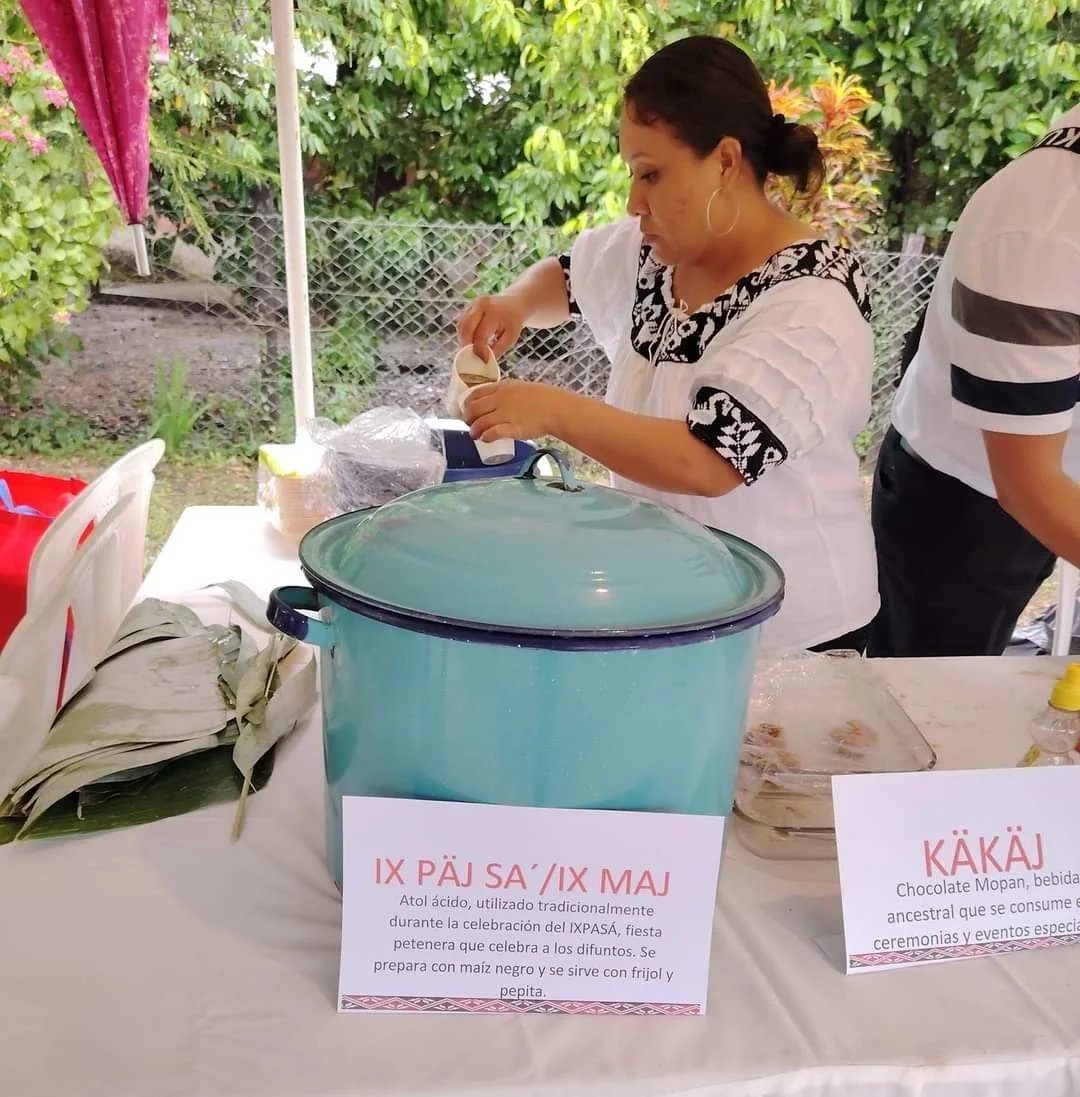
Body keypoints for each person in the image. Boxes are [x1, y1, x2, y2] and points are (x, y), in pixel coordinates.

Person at [455, 35, 878, 653]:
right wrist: (517, 302)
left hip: (794, 636)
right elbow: (569, 275)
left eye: (651, 174)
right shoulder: (657, 251)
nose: (634, 201)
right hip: (683, 604)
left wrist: (550, 410)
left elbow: (708, 461)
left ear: (726, 162)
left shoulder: (812, 299)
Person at [866, 102, 1080, 658]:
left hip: (1041, 482)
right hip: (966, 502)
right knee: (929, 713)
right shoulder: (1048, 225)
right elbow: (1028, 485)